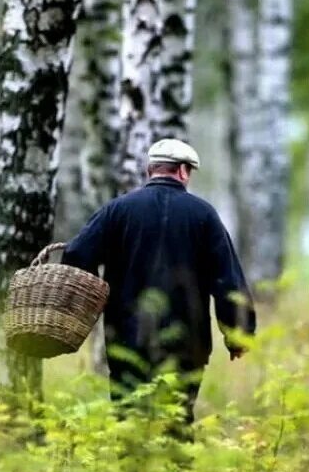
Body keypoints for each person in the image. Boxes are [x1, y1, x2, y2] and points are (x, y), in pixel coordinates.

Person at [62, 139, 257, 425]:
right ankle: (174, 469)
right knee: (176, 422)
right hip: (187, 342)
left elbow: (76, 254)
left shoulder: (117, 210)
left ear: (149, 170)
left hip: (126, 338)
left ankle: (131, 470)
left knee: (128, 419)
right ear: (181, 171)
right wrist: (238, 333)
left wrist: (85, 302)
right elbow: (227, 280)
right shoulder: (204, 215)